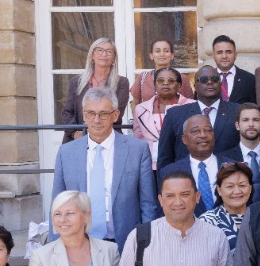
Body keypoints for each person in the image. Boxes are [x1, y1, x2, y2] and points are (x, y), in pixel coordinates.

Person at [51, 86, 158, 243]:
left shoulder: (137, 150)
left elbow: (148, 204)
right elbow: (57, 203)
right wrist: (56, 246)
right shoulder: (66, 153)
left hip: (125, 242)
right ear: (84, 115)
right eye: (91, 113)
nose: (96, 120)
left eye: (104, 114)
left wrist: (146, 244)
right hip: (80, 242)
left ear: (115, 115)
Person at [157, 66, 239, 169]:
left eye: (214, 79)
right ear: (195, 86)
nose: (210, 82)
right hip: (185, 177)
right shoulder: (174, 115)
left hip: (228, 176)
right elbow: (164, 158)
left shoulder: (237, 112)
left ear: (221, 83)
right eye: (204, 80)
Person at [58, 38, 130, 138]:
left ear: (114, 58)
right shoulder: (76, 82)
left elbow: (116, 113)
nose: (104, 54)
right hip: (78, 138)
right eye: (99, 50)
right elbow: (67, 112)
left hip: (109, 137)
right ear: (92, 55)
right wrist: (75, 133)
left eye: (109, 51)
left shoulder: (122, 82)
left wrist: (96, 133)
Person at [160, 114, 225, 217]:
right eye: (195, 131)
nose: (203, 135)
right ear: (184, 139)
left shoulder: (231, 167)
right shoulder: (169, 172)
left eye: (208, 130)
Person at [132, 67, 191, 167]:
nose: (165, 83)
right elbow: (138, 140)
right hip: (150, 163)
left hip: (181, 162)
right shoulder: (141, 108)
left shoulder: (191, 106)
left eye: (171, 81)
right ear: (155, 85)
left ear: (179, 86)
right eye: (160, 80)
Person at [130, 38, 185, 107]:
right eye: (157, 51)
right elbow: (135, 103)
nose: (162, 54)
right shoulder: (143, 77)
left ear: (172, 55)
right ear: (151, 55)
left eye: (166, 51)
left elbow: (190, 104)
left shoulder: (182, 78)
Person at [225, 102, 260, 185]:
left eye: (255, 120)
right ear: (237, 125)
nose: (251, 124)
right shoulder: (226, 159)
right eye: (245, 120)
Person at [210, 33, 257, 105]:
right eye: (219, 53)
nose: (224, 56)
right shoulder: (205, 79)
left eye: (228, 52)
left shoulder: (249, 79)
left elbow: (254, 107)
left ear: (235, 55)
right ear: (213, 56)